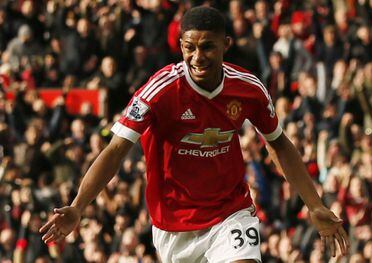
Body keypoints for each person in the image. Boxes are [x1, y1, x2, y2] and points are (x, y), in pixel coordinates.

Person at [39, 7, 349, 262]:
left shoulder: (248, 89)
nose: (197, 57)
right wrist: (78, 206)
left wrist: (315, 204)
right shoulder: (160, 91)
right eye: (189, 47)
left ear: (225, 44)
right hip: (174, 226)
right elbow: (116, 149)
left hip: (230, 213)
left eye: (207, 47)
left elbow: (279, 144)